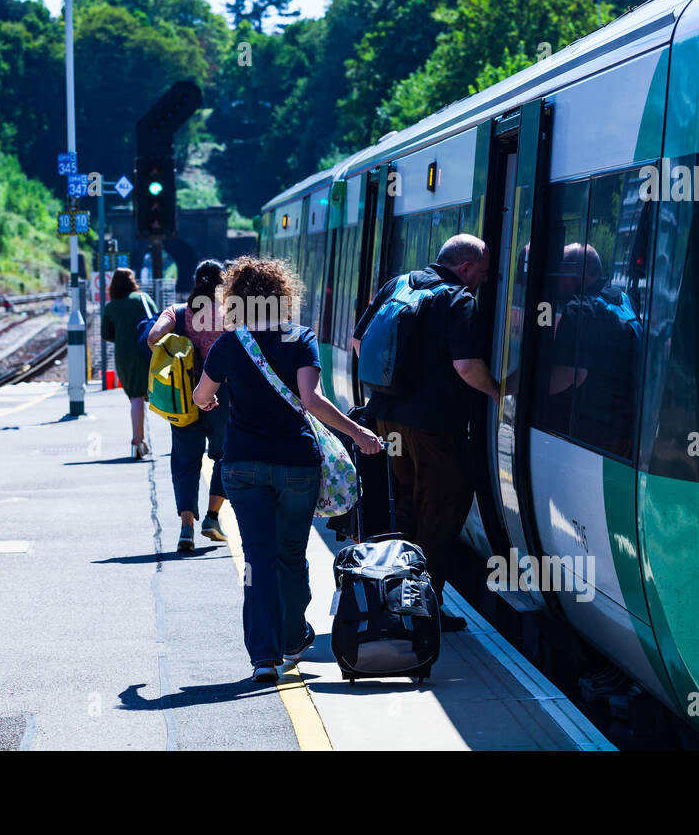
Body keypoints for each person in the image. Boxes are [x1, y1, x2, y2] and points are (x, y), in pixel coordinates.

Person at [194, 256, 380, 682]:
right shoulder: (301, 338)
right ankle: (294, 638)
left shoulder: (228, 344)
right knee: (291, 556)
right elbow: (311, 400)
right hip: (296, 465)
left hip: (242, 467)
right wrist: (359, 434)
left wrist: (210, 400)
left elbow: (202, 394)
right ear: (282, 295)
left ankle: (263, 657)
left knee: (257, 558)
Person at [351, 234, 499, 629]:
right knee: (441, 511)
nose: (483, 281)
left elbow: (357, 342)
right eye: (482, 274)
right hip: (435, 428)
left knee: (408, 506)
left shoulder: (398, 284)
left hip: (386, 418)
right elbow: (467, 367)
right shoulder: (458, 300)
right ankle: (421, 610)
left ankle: (396, 598)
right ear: (465, 268)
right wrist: (500, 392)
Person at [146, 259, 231, 552]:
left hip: (183, 399)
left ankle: (186, 528)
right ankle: (212, 517)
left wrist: (180, 354)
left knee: (185, 462)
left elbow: (153, 338)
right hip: (224, 399)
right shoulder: (232, 314)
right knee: (225, 455)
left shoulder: (178, 312)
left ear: (195, 281)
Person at [546, 243, 643, 458]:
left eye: (560, 273)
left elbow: (571, 374)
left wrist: (530, 392)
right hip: (628, 429)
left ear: (575, 273)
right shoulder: (624, 299)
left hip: (593, 434)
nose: (555, 281)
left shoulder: (579, 309)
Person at [100, 267, 158, 459]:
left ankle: (137, 440)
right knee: (156, 392)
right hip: (147, 351)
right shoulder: (142, 298)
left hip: (124, 354)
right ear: (133, 281)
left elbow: (106, 334)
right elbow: (158, 321)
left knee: (136, 397)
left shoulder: (111, 307)